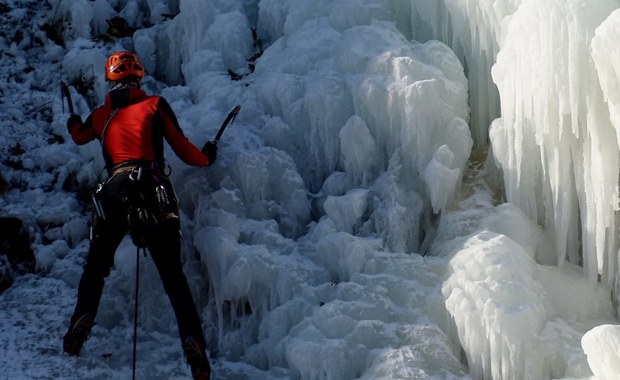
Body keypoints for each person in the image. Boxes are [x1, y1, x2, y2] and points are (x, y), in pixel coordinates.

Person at [63, 51, 216, 380]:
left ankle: (82, 321)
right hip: (152, 188)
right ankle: (194, 347)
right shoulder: (154, 105)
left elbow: (78, 136)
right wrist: (207, 157)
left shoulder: (102, 113)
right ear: (138, 78)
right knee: (173, 277)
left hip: (113, 191)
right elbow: (184, 149)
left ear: (111, 79)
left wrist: (73, 122)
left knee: (97, 266)